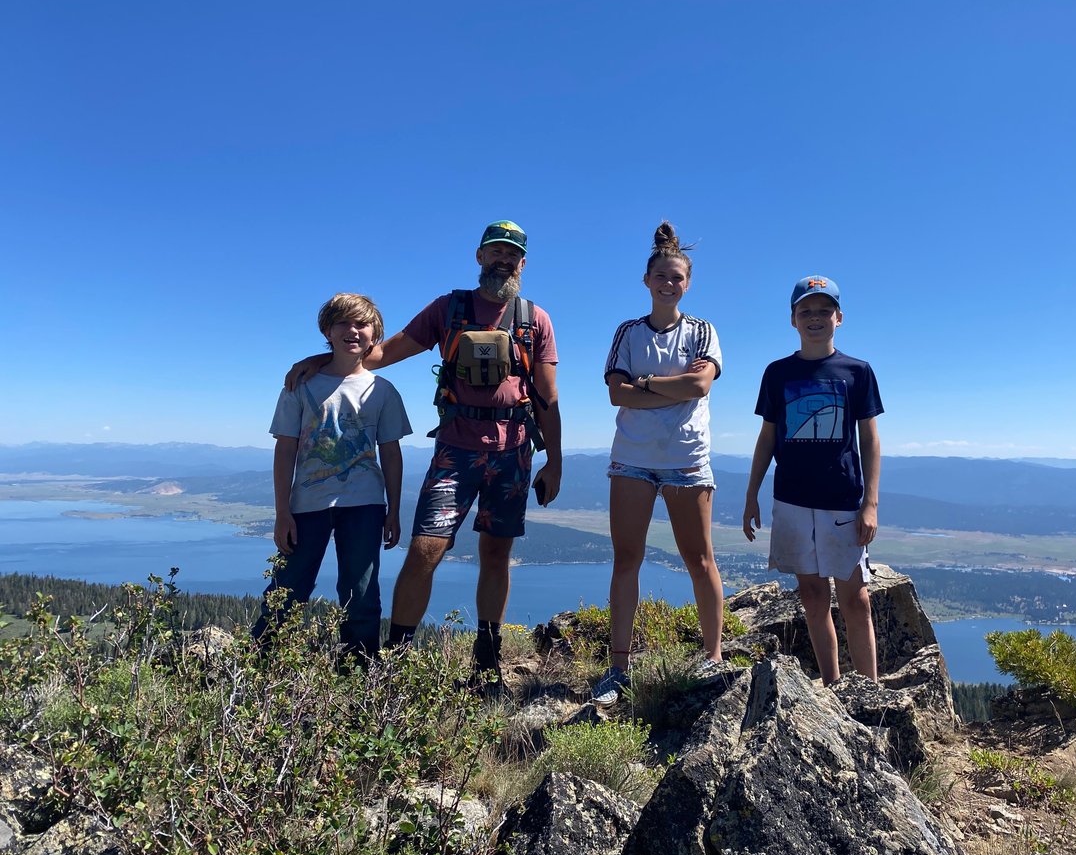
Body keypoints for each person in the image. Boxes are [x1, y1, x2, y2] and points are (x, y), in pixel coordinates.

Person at [285, 220, 561, 695]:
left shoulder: (535, 318)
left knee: (497, 553)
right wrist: (321, 359)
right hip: (456, 448)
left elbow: (548, 397)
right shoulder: (448, 309)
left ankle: (486, 659)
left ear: (522, 263)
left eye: (512, 254)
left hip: (514, 450)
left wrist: (554, 461)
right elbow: (381, 354)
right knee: (425, 551)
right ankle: (396, 659)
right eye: (495, 251)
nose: (503, 260)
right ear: (479, 257)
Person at [591, 221, 726, 707]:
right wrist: (666, 386)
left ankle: (713, 657)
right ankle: (618, 667)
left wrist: (645, 384)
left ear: (687, 283)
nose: (669, 284)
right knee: (627, 560)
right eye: (661, 277)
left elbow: (700, 387)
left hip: (687, 461)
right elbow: (615, 393)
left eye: (678, 278)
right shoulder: (627, 332)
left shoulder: (703, 331)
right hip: (632, 460)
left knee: (700, 559)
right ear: (647, 281)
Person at [742, 275, 883, 685]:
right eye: (806, 311)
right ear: (793, 320)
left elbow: (870, 439)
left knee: (856, 599)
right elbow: (768, 437)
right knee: (812, 595)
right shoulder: (777, 373)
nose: (815, 318)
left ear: (839, 317)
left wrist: (870, 503)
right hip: (791, 499)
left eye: (824, 311)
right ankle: (834, 685)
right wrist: (751, 493)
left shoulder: (858, 371)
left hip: (842, 500)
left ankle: (869, 691)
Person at [254, 292, 412, 661]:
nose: (353, 331)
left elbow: (391, 452)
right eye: (343, 323)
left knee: (361, 593)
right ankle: (260, 666)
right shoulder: (300, 385)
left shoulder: (383, 391)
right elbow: (286, 449)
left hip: (366, 504)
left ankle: (357, 676)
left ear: (375, 335)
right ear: (327, 330)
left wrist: (393, 510)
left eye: (362, 324)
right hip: (307, 504)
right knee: (288, 587)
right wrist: (282, 512)